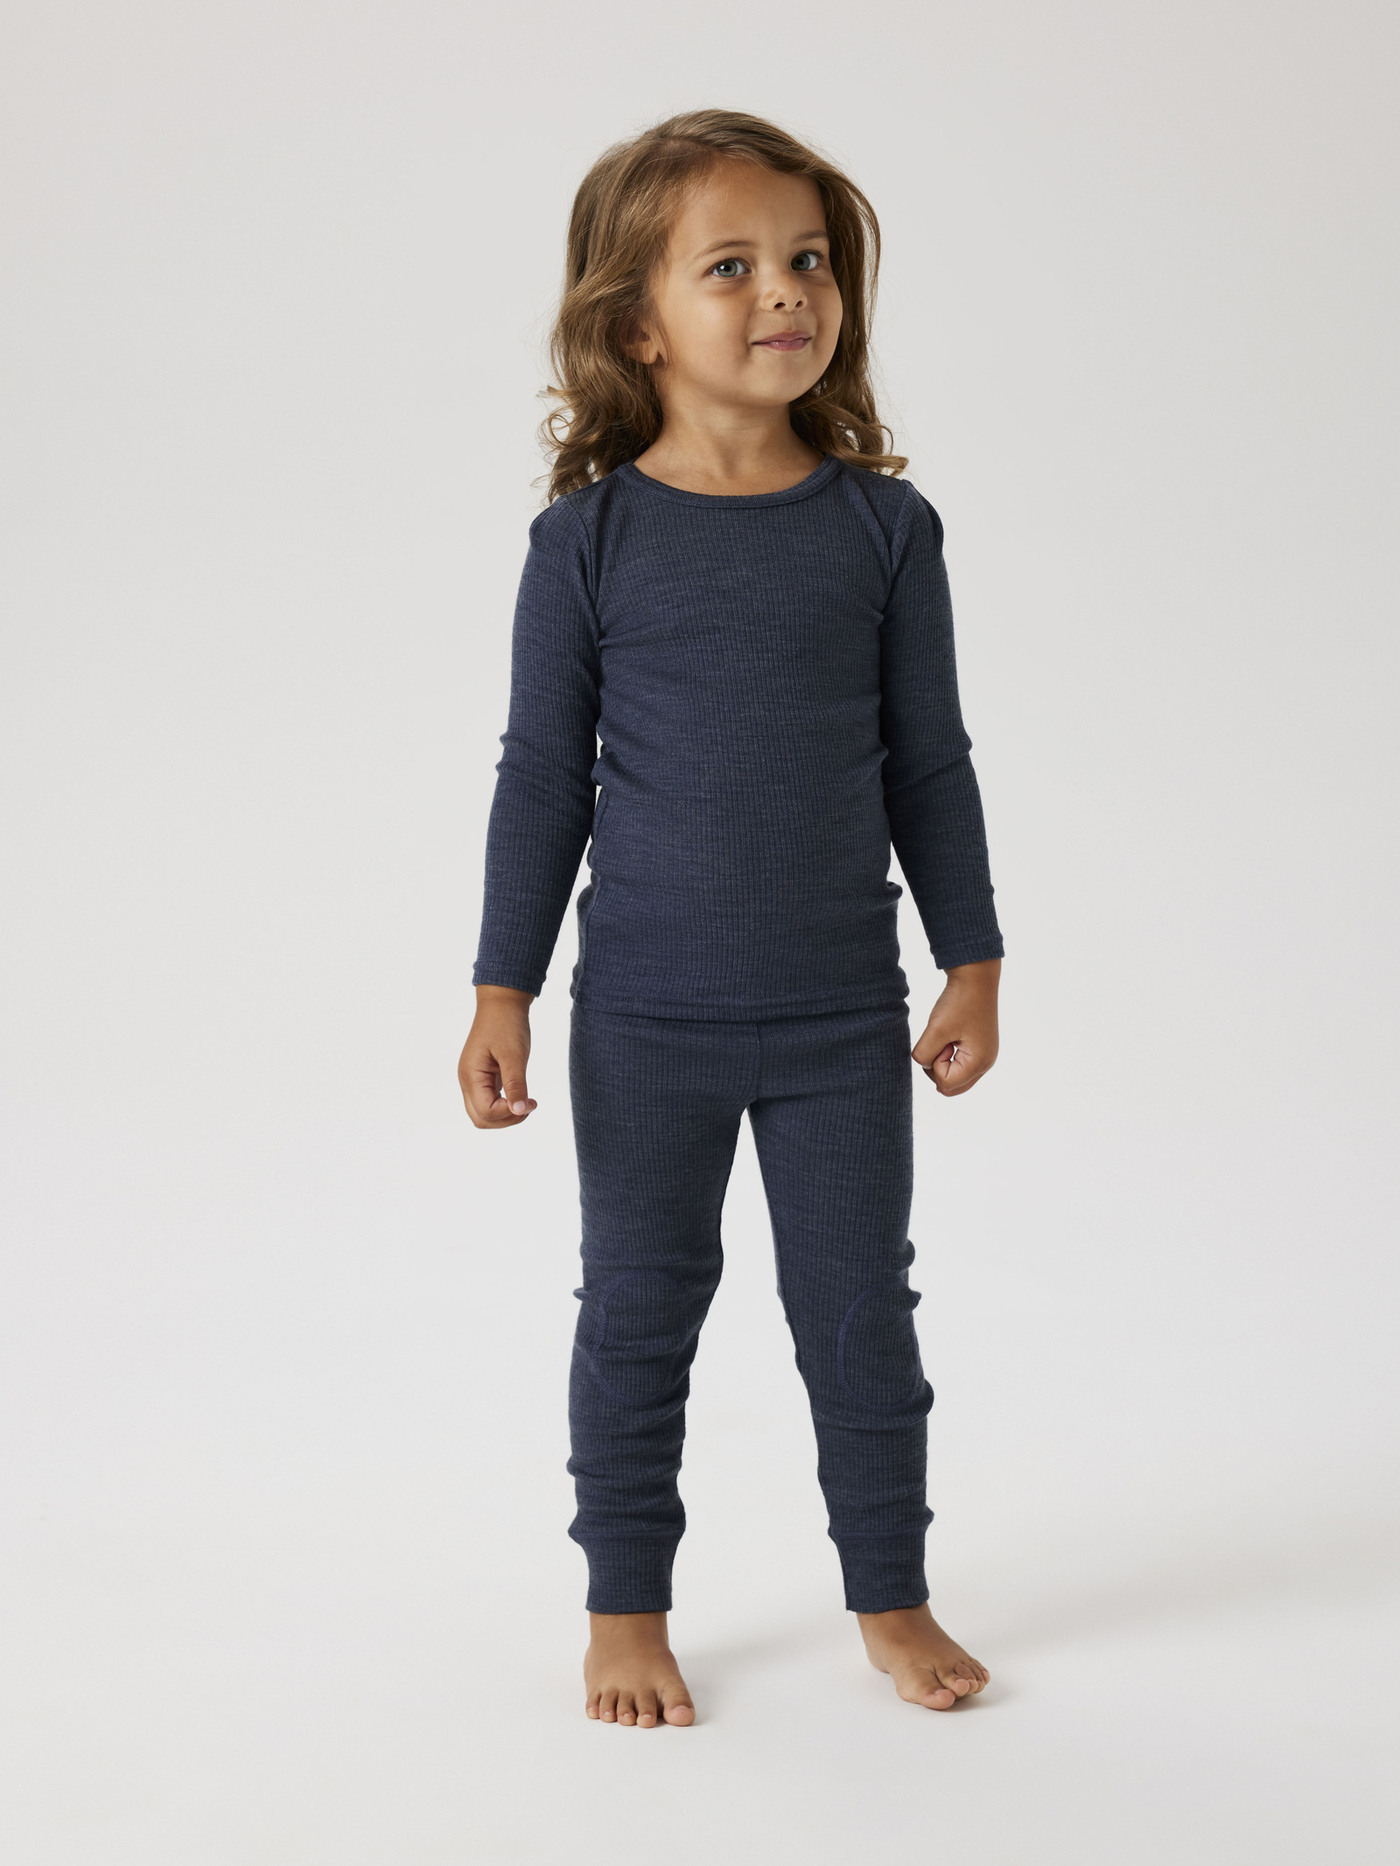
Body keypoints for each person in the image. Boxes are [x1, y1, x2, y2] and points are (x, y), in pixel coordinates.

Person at [458, 109, 1002, 1728]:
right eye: (734, 266)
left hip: (841, 1017)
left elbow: (933, 761)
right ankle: (625, 1612)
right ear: (636, 324)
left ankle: (891, 1595)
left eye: (811, 259)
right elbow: (540, 778)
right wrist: (501, 988)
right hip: (644, 1021)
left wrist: (974, 954)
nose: (788, 291)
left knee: (860, 1318)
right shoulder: (587, 542)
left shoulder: (885, 531)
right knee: (637, 1315)